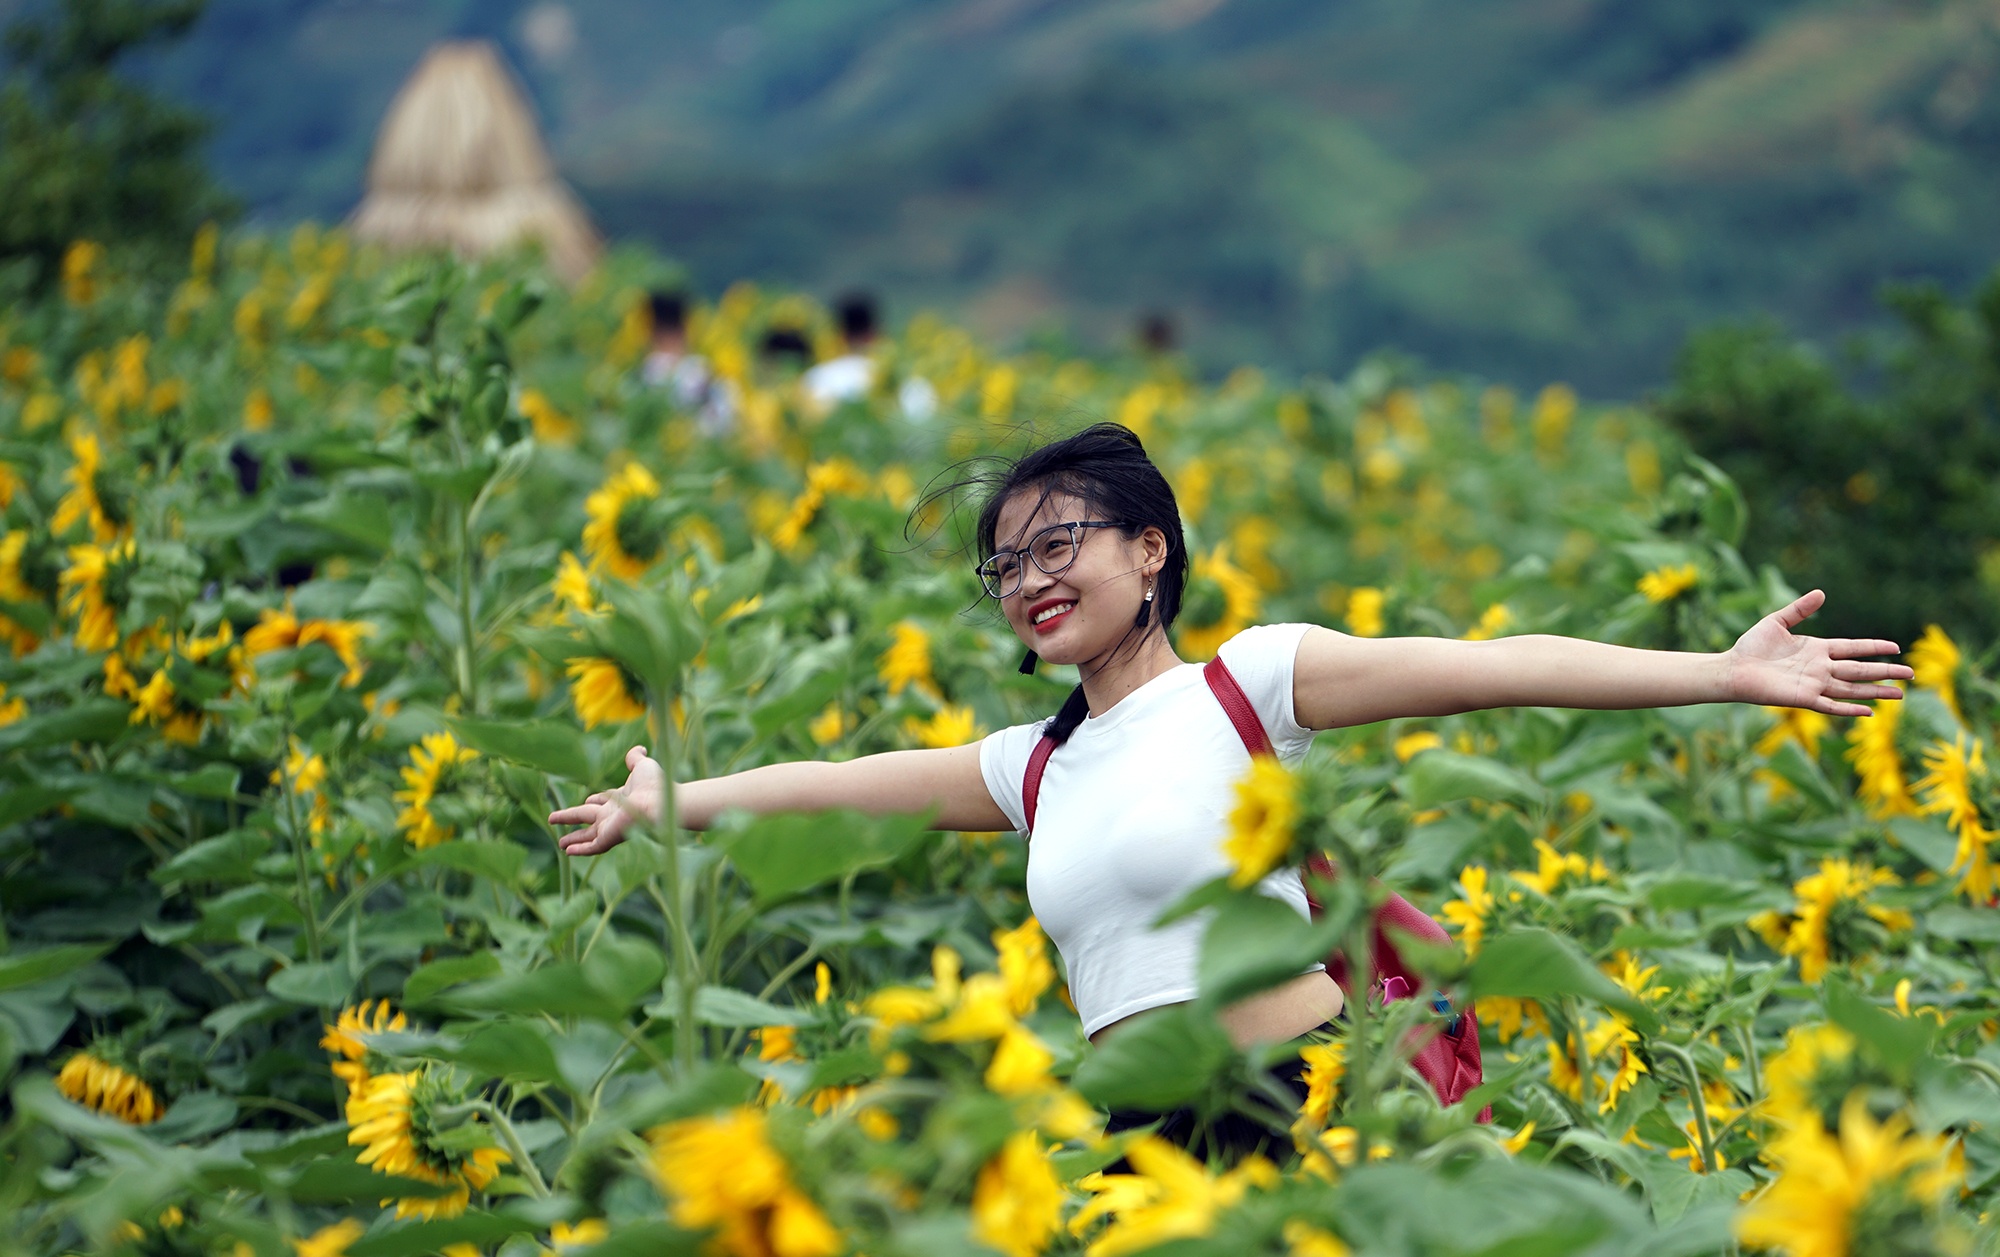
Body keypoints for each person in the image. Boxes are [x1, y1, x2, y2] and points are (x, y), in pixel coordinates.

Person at [549, 422, 1911, 1156]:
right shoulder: (1033, 768)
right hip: (1129, 1131)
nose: (1027, 580)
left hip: (1303, 1091)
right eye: (1003, 565)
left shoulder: (1246, 685)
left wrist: (1720, 678)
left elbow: (1490, 667)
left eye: (1057, 544)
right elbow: (847, 787)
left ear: (1152, 552)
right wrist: (679, 799)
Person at [641, 290, 733, 435]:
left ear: (652, 333)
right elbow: (726, 418)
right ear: (684, 331)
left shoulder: (647, 371)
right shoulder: (702, 369)